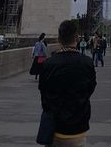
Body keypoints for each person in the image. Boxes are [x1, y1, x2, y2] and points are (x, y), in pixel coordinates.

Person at [39, 19, 96, 147]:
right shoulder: (87, 63)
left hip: (54, 127)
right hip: (78, 127)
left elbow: (42, 91)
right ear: (76, 38)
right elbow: (90, 89)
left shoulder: (48, 64)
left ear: (59, 39)